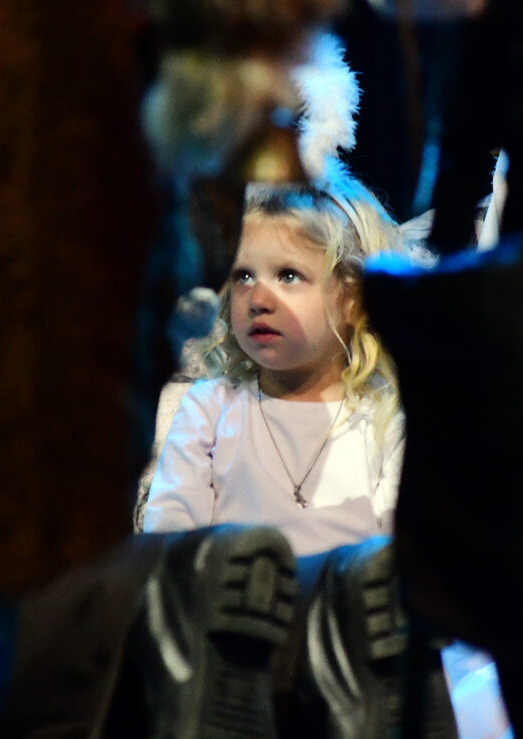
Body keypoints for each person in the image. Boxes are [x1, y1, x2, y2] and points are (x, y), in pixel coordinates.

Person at [140, 171, 405, 561]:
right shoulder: (210, 409)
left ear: (353, 298)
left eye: (288, 275)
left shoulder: (384, 423)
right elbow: (168, 536)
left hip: (342, 597)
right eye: (244, 276)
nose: (258, 300)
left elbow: (403, 556)